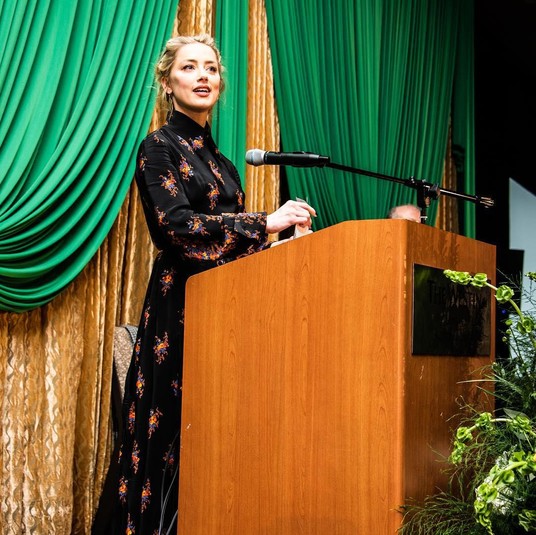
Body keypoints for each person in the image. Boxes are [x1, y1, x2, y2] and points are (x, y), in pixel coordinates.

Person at [114, 34, 316, 534]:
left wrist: (283, 245)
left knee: (223, 436)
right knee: (172, 434)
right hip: (180, 308)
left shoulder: (226, 165)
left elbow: (234, 250)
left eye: (210, 67)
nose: (203, 75)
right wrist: (263, 222)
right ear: (167, 82)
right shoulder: (158, 147)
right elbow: (177, 227)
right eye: (189, 67)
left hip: (230, 312)